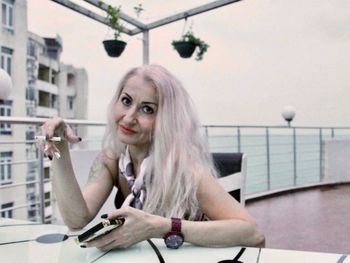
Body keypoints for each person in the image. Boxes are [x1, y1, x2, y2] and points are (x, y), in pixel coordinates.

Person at [39, 64, 265, 250]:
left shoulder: (184, 170)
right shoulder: (111, 159)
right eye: (126, 101)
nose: (128, 118)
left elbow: (253, 234)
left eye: (147, 109)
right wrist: (60, 149)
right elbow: (77, 219)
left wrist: (160, 227)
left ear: (166, 120)